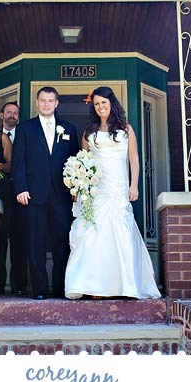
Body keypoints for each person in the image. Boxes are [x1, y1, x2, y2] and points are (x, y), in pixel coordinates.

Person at [64, 87, 160, 300]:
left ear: (111, 104)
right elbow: (82, 161)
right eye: (97, 104)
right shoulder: (89, 131)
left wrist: (134, 185)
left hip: (118, 187)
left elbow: (134, 159)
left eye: (104, 103)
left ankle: (121, 286)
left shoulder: (125, 129)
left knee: (119, 232)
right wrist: (79, 186)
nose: (100, 107)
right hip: (96, 189)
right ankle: (94, 286)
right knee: (93, 234)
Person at [13, 86, 79, 300]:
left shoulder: (69, 129)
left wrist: (75, 188)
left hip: (62, 195)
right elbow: (18, 162)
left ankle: (60, 288)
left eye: (51, 100)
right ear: (37, 102)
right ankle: (40, 289)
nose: (46, 104)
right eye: (43, 100)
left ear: (57, 103)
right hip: (33, 194)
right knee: (36, 243)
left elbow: (75, 162)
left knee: (62, 243)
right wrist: (21, 187)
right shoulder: (25, 129)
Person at [0, 101, 27, 296]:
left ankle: (19, 286)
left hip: (20, 195)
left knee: (19, 241)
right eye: (8, 112)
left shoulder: (24, 134)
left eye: (15, 113)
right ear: (1, 115)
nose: (12, 115)